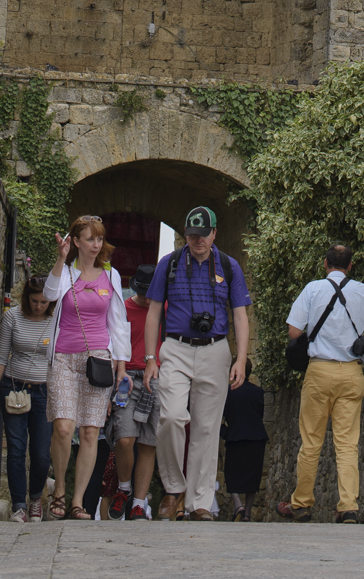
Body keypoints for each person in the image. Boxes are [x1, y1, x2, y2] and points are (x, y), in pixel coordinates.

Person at [142, 206, 251, 521]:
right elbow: (153, 312)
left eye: (202, 235)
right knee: (172, 417)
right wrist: (151, 358)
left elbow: (240, 315)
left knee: (207, 428)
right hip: (175, 347)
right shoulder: (171, 263)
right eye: (191, 235)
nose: (197, 241)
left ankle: (200, 502)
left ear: (214, 233)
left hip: (215, 350)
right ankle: (174, 487)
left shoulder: (229, 267)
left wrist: (241, 359)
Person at [277, 243, 364, 524]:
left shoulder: (312, 289)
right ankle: (348, 506)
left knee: (311, 441)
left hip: (320, 372)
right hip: (351, 374)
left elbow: (294, 331)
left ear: (326, 264)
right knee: (348, 443)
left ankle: (301, 503)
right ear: (350, 266)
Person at [43, 214, 131, 521]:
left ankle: (78, 501)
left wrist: (121, 367)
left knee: (92, 432)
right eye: (90, 239)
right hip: (64, 359)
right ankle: (59, 492)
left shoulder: (112, 275)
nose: (96, 245)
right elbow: (49, 295)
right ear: (76, 241)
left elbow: (119, 325)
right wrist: (60, 259)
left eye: (99, 239)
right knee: (64, 427)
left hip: (99, 361)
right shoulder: (66, 273)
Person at [0, 274, 54, 523]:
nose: (39, 306)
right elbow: (1, 356)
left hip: (44, 392)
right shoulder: (12, 317)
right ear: (27, 298)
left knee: (41, 453)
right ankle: (19, 506)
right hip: (14, 388)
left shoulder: (55, 320)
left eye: (44, 302)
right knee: (16, 449)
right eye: (35, 301)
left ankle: (36, 497)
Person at [105, 263, 162, 520]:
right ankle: (124, 488)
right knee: (125, 438)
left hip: (156, 378)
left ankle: (139, 502)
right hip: (126, 377)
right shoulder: (123, 309)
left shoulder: (165, 311)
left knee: (149, 442)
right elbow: (113, 346)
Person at [222, 358, 268, 520]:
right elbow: (259, 414)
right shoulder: (258, 392)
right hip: (256, 437)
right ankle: (247, 512)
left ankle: (238, 505)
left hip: (235, 437)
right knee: (252, 475)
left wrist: (225, 433)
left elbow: (220, 417)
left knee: (231, 473)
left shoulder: (227, 392)